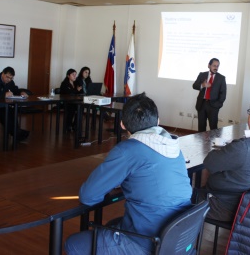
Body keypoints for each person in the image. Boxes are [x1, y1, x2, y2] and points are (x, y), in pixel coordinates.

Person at [64, 93, 192, 255]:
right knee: (111, 224)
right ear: (158, 121)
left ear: (122, 124)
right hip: (178, 237)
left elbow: (88, 196)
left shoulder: (128, 150)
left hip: (148, 242)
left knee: (73, 244)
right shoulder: (174, 145)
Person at [203, 97, 250, 222]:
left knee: (187, 197)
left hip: (228, 204)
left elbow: (209, 162)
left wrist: (229, 148)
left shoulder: (244, 147)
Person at [0, 66, 29, 141]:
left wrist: (21, 92)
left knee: (12, 111)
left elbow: (15, 89)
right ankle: (16, 133)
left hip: (4, 105)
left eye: (11, 78)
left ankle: (16, 132)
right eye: (7, 77)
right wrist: (4, 94)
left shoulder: (10, 82)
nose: (9, 80)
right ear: (3, 74)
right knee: (5, 114)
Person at [192, 58, 227, 131]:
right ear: (209, 65)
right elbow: (194, 85)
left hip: (214, 106)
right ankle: (201, 142)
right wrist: (202, 85)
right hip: (202, 104)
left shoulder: (221, 78)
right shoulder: (202, 75)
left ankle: (213, 142)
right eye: (214, 65)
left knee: (213, 127)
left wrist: (218, 105)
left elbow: (223, 94)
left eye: (217, 66)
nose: (216, 68)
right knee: (201, 127)